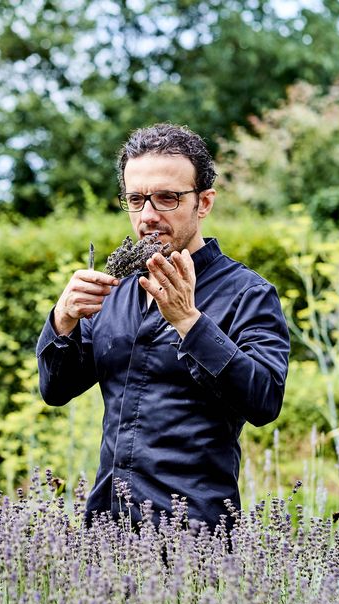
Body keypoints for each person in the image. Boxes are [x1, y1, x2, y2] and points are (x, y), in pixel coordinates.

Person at [36, 123, 289, 533]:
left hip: (195, 536)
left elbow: (265, 400)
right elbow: (56, 390)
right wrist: (62, 321)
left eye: (167, 198)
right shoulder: (115, 291)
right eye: (136, 199)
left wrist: (189, 322)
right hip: (106, 531)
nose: (148, 215)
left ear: (204, 202)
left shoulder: (248, 293)